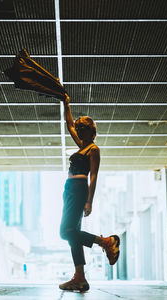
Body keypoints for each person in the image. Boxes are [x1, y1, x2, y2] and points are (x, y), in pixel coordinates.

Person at [59, 94, 120, 292]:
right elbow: (68, 125)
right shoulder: (82, 146)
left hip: (79, 190)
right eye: (79, 129)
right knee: (72, 235)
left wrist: (89, 201)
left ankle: (106, 242)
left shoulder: (93, 150)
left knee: (65, 232)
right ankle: (80, 278)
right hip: (70, 190)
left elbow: (93, 176)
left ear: (92, 132)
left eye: (83, 129)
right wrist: (66, 103)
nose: (79, 131)